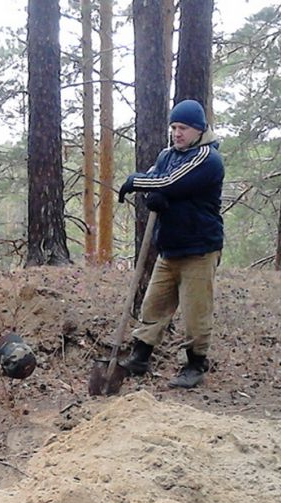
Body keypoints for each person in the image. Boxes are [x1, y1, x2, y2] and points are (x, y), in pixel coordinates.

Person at [117, 99, 224, 389]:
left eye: (183, 128)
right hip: (170, 246)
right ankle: (139, 358)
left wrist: (138, 183)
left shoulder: (207, 158)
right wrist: (151, 191)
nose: (177, 133)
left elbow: (171, 182)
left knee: (195, 312)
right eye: (174, 127)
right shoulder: (167, 154)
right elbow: (156, 178)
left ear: (198, 129)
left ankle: (195, 364)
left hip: (199, 247)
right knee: (154, 305)